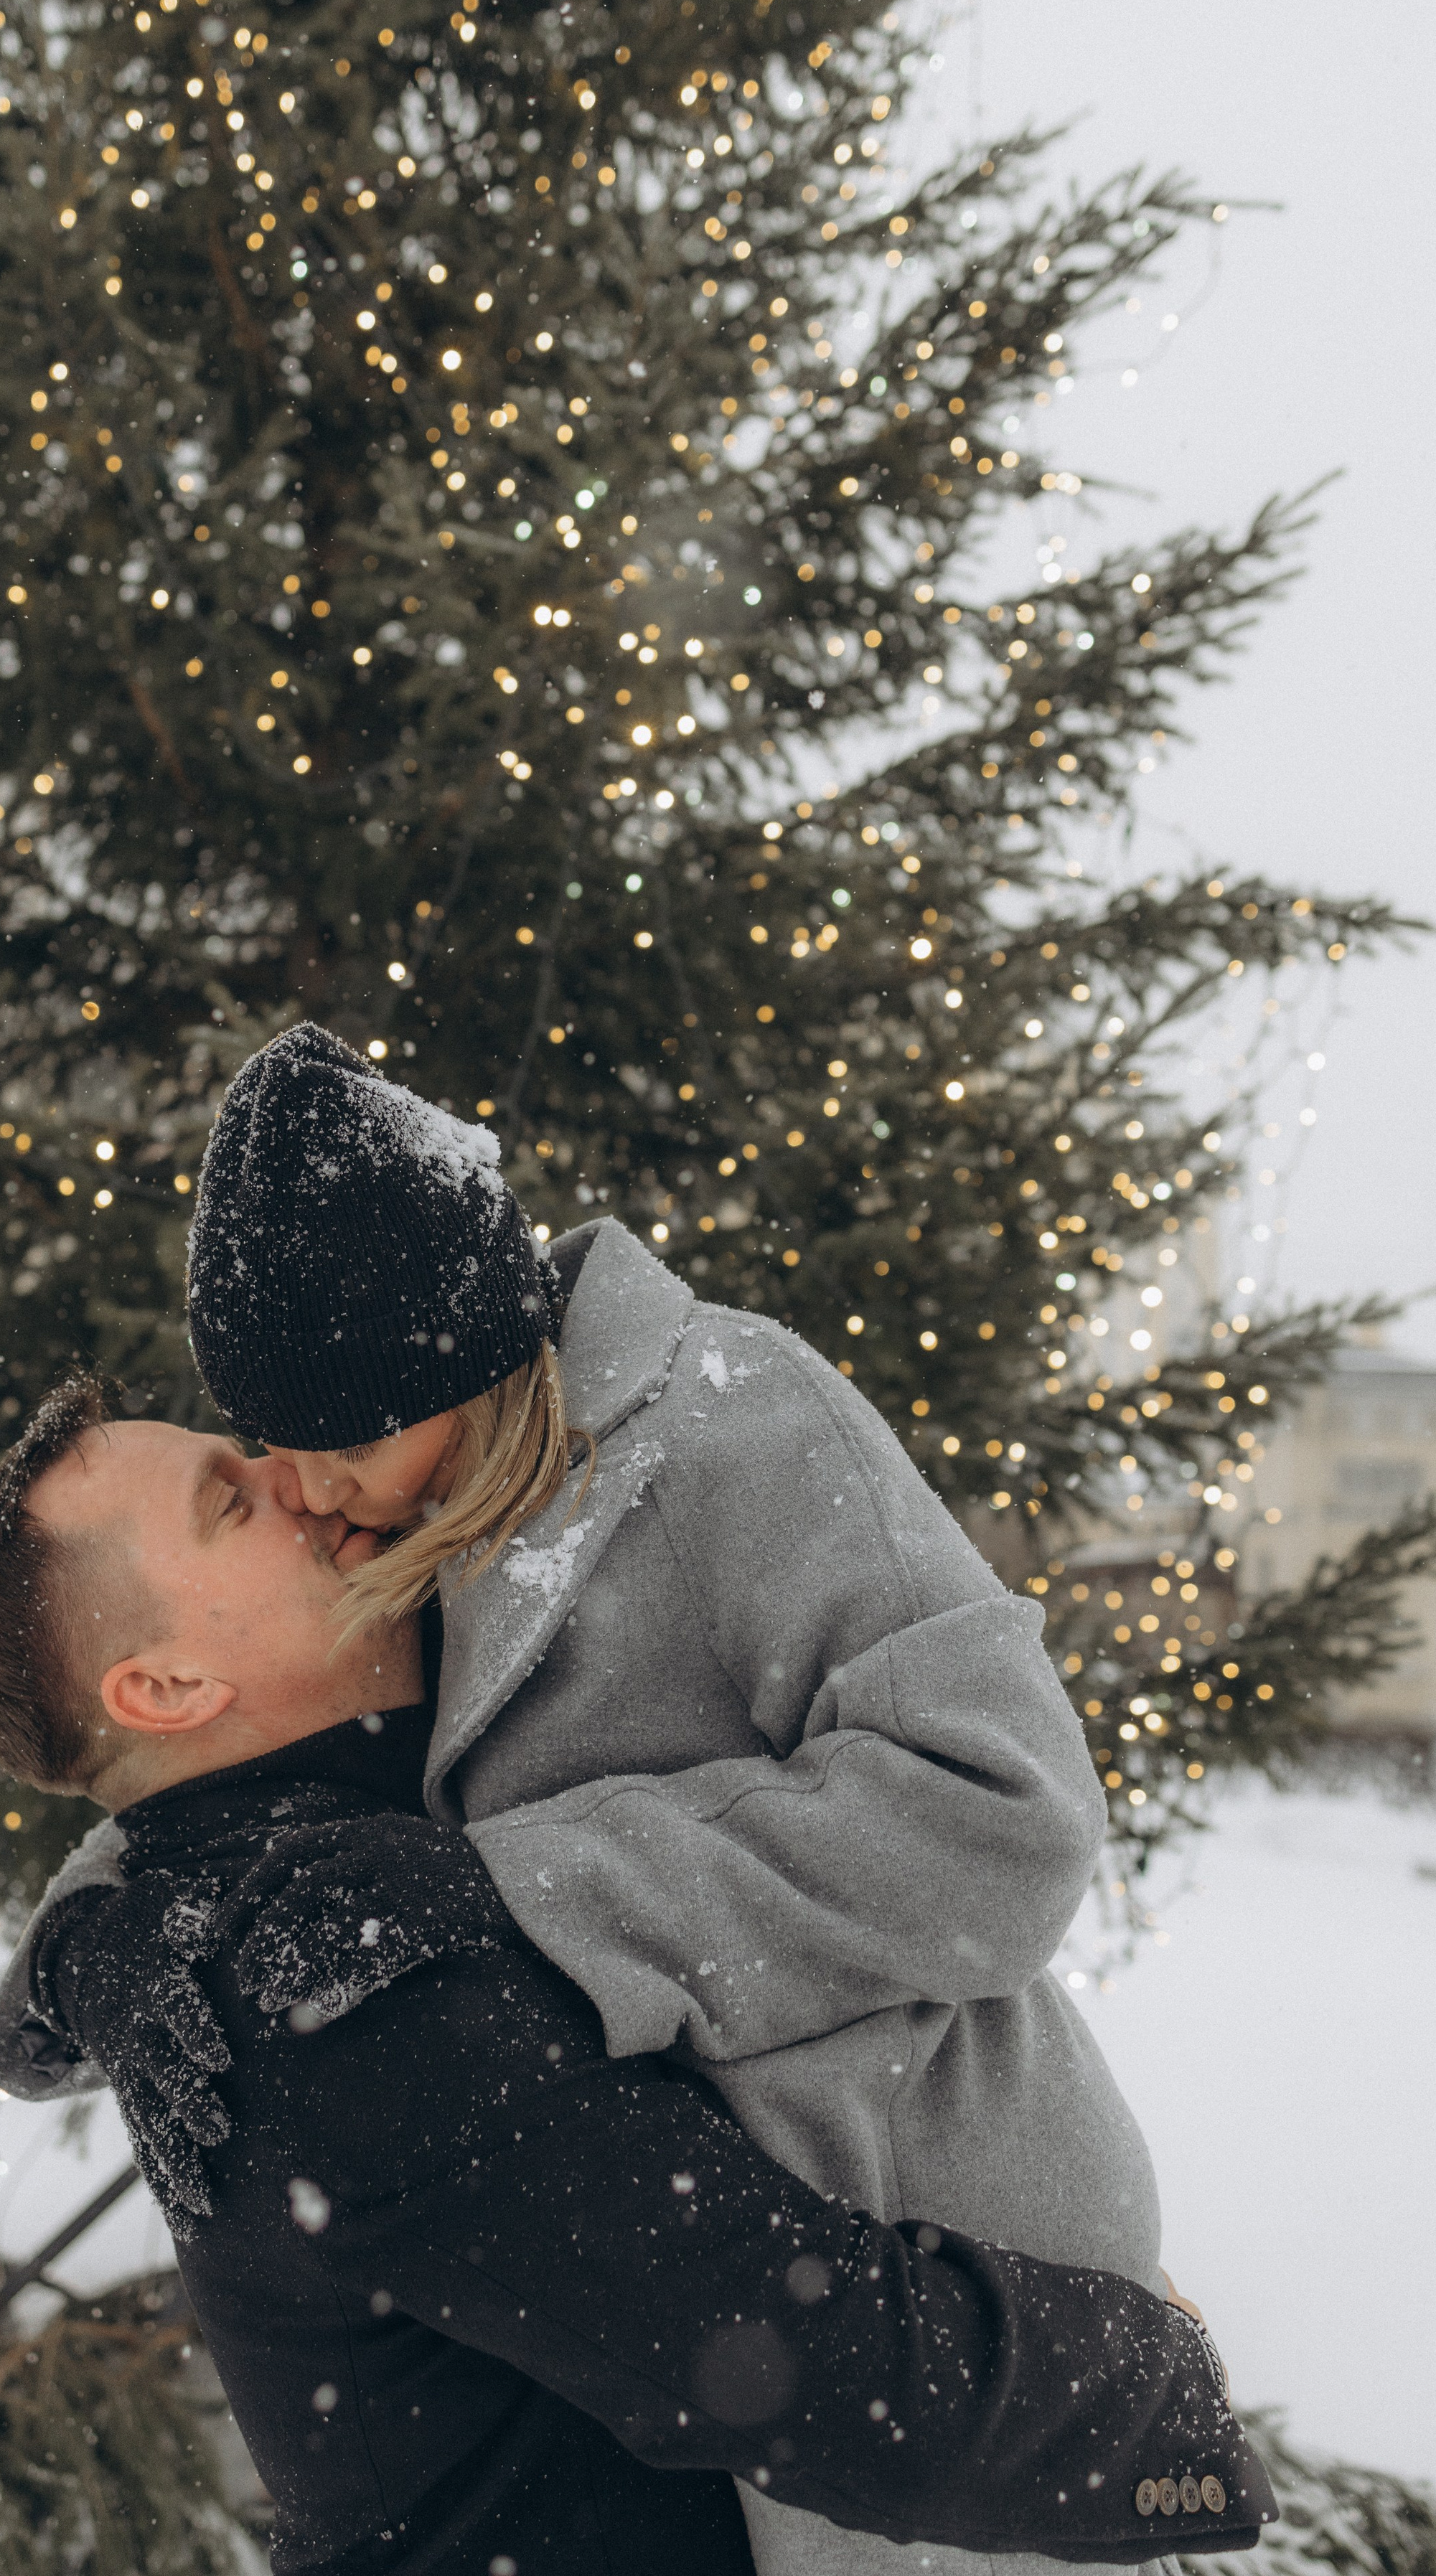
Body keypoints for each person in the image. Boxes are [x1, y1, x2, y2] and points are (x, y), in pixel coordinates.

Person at [0, 1374, 1272, 2576]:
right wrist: (1165, 2385)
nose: (295, 1474)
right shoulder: (321, 1981)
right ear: (166, 1687)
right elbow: (788, 2358)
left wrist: (79, 1948)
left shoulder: (266, 1889)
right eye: (228, 1501)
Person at [183, 1025, 1192, 2576]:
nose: (302, 1486)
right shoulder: (403, 1513)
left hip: (957, 2279)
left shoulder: (734, 1422)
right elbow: (246, 1746)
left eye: (337, 1435)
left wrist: (530, 1888)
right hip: (728, 2338)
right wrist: (108, 1930)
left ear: (454, 1360)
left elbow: (1005, 1819)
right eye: (268, 1440)